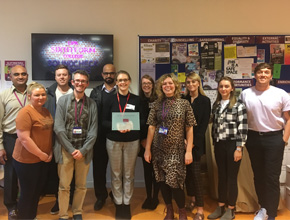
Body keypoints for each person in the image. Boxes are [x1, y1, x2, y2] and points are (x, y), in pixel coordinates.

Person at [240, 63, 290, 220]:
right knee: (259, 176)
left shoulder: (281, 94)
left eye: (266, 72)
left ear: (271, 75)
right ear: (254, 75)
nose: (263, 75)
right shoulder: (245, 94)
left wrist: (284, 140)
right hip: (253, 138)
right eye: (260, 72)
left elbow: (289, 119)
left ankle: (272, 214)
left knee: (271, 177)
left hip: (274, 139)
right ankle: (263, 209)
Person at [144, 73, 196, 220]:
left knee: (175, 182)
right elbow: (151, 127)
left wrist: (189, 151)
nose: (167, 86)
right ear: (161, 87)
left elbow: (189, 129)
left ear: (176, 85)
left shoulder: (184, 104)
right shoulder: (156, 105)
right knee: (162, 181)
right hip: (158, 149)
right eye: (164, 84)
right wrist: (147, 149)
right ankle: (169, 210)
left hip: (177, 150)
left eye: (170, 83)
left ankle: (182, 211)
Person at [54, 70, 98, 220]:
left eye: (83, 81)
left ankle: (77, 211)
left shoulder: (92, 104)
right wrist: (72, 150)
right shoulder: (63, 101)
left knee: (81, 185)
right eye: (77, 80)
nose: (80, 83)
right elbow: (58, 128)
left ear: (87, 84)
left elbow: (93, 131)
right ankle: (64, 214)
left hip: (84, 152)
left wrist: (83, 150)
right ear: (72, 82)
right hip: (66, 150)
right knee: (64, 186)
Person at [103, 70, 144, 219]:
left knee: (128, 174)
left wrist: (131, 125)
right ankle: (118, 203)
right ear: (116, 82)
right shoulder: (110, 100)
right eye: (120, 80)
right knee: (115, 174)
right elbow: (104, 122)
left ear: (129, 81)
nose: (122, 82)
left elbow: (143, 121)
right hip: (113, 141)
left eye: (125, 80)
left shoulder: (137, 100)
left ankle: (126, 204)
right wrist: (117, 126)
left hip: (132, 141)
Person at [12, 82, 54, 220]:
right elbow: (24, 139)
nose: (41, 97)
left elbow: (48, 134)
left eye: (43, 94)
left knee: (37, 192)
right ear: (29, 96)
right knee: (27, 193)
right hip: (27, 161)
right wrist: (41, 154)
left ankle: (32, 216)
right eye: (37, 95)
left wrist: (49, 152)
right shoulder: (25, 112)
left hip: (42, 160)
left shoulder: (45, 111)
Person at [208, 76, 247, 220]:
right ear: (218, 89)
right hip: (219, 144)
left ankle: (231, 209)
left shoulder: (239, 105)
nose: (223, 89)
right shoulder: (216, 105)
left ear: (232, 88)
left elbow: (242, 128)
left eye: (226, 86)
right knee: (221, 177)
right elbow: (212, 123)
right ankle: (220, 206)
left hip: (233, 145)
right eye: (221, 86)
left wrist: (239, 148)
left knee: (231, 178)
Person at [44, 64, 74, 214]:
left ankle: (72, 201)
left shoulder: (76, 92)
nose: (62, 77)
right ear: (55, 77)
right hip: (54, 139)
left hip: (74, 139)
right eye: (59, 75)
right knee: (57, 173)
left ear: (69, 77)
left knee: (73, 172)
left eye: (65, 74)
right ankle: (58, 200)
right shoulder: (48, 94)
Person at [0, 65, 28, 220]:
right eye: (16, 74)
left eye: (23, 74)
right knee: (10, 174)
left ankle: (26, 203)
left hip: (31, 139)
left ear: (27, 75)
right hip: (11, 138)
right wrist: (0, 146)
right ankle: (11, 206)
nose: (20, 76)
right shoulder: (4, 95)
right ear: (10, 77)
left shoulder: (34, 93)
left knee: (29, 173)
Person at [183, 72, 211, 220]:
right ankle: (192, 199)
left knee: (196, 176)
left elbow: (203, 126)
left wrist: (192, 143)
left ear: (198, 83)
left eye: (194, 82)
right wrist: (183, 140)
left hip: (196, 145)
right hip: (183, 143)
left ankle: (200, 209)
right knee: (187, 176)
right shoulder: (183, 99)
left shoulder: (205, 101)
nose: (191, 85)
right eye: (188, 82)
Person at [89, 63, 117, 211]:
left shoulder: (122, 90)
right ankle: (101, 196)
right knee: (99, 169)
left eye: (111, 73)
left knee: (117, 169)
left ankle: (115, 194)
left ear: (115, 74)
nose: (109, 76)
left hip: (117, 136)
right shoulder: (95, 92)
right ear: (102, 75)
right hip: (99, 137)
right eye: (106, 73)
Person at [139, 74, 159, 210]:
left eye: (148, 83)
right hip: (144, 141)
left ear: (153, 85)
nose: (146, 85)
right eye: (144, 83)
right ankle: (148, 196)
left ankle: (156, 197)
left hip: (158, 140)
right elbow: (138, 122)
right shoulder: (137, 100)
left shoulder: (159, 100)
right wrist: (142, 139)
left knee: (156, 170)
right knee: (147, 170)